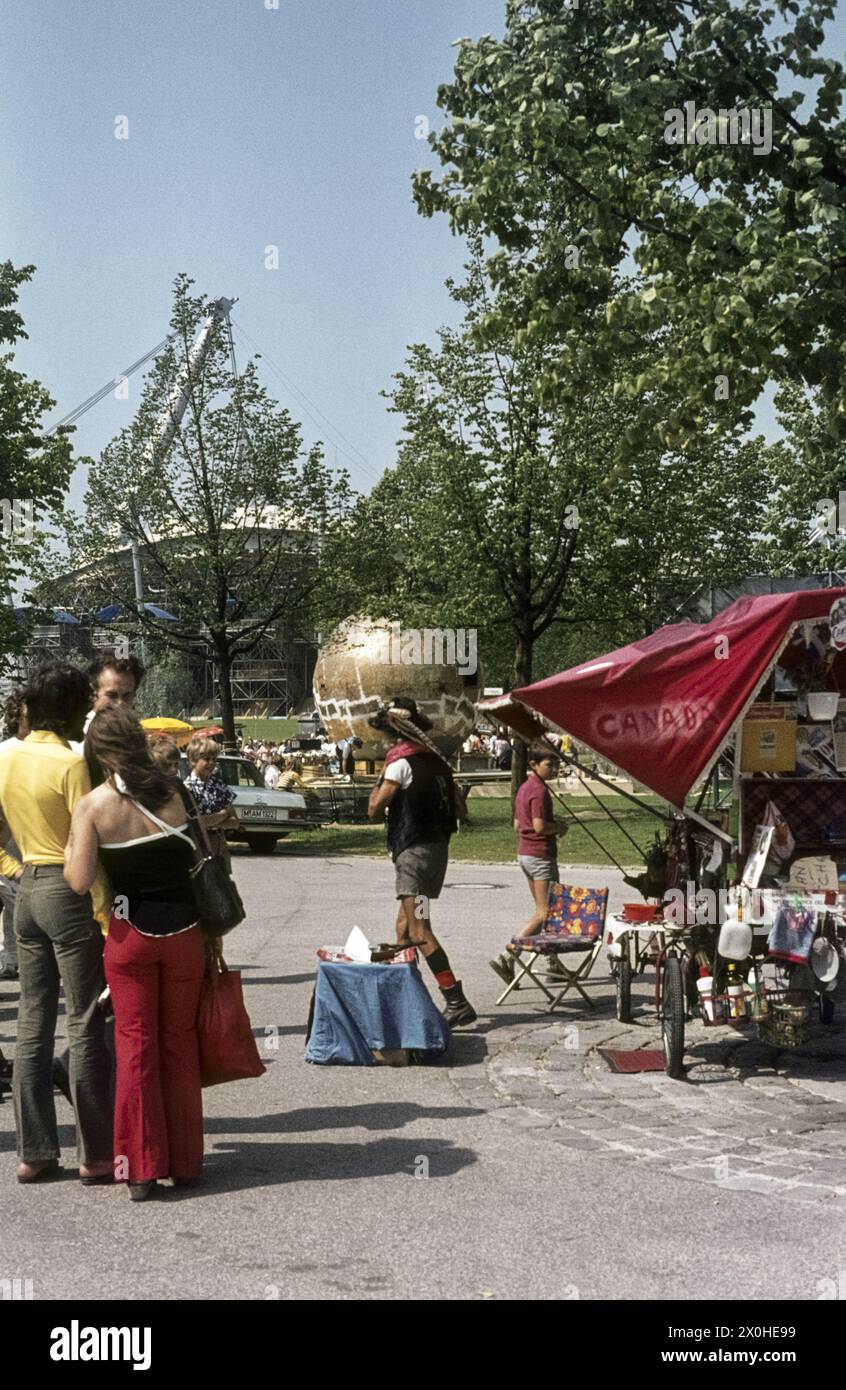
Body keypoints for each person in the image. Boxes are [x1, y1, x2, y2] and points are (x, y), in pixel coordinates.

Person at [65, 706, 209, 1201]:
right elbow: (203, 858)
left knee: (134, 1049)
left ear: (98, 753)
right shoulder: (175, 792)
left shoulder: (94, 806)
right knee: (179, 1044)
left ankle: (141, 1169)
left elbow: (80, 881)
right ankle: (186, 1162)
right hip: (187, 932)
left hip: (130, 937)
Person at [0, 663, 113, 1183]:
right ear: (70, 709)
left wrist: (13, 867)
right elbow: (86, 841)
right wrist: (104, 910)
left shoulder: (3, 754)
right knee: (85, 1021)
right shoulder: (71, 762)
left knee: (31, 1022)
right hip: (68, 891)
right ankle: (94, 1152)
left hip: (26, 888)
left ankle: (36, 1151)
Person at [367, 698, 476, 1028]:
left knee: (420, 928)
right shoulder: (440, 763)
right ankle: (403, 992)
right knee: (404, 925)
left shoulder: (400, 765)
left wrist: (382, 783)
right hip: (436, 852)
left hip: (413, 855)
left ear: (394, 731)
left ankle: (454, 998)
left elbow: (373, 809)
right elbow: (461, 811)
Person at [490, 745, 570, 985]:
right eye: (549, 765)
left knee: (544, 911)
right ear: (533, 764)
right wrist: (559, 827)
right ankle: (508, 954)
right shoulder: (539, 791)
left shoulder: (524, 788)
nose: (554, 769)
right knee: (546, 912)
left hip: (525, 854)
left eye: (556, 764)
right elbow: (539, 826)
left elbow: (517, 825)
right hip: (540, 855)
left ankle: (551, 962)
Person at [0, 690, 29, 980]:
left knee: (16, 907)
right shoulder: (5, 753)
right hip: (6, 840)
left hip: (26, 841)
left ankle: (12, 958)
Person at [184, 736, 239, 871]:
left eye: (214, 759)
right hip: (199, 845)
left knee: (224, 887)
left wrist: (211, 821)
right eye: (206, 759)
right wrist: (222, 814)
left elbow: (235, 822)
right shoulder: (187, 788)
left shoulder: (218, 785)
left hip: (219, 844)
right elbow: (196, 823)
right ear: (193, 761)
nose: (212, 763)